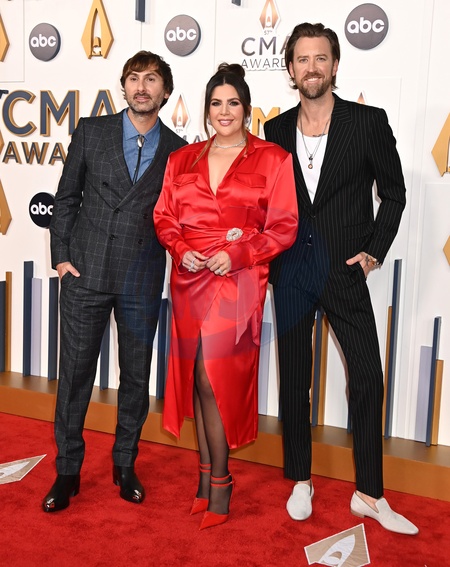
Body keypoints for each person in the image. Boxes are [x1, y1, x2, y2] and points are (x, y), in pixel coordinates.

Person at [264, 23, 418, 535]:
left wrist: (374, 251)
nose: (312, 68)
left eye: (320, 58)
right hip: (291, 270)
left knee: (368, 378)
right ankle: (300, 479)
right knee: (295, 380)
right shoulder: (275, 130)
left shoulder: (368, 122)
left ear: (334, 65)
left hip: (345, 270)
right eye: (302, 59)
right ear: (290, 69)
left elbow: (394, 194)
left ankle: (369, 494)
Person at [153, 63, 298, 529]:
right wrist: (182, 250)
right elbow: (164, 217)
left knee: (212, 378)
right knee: (197, 378)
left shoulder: (273, 159)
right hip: (189, 279)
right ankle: (204, 478)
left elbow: (284, 227)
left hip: (238, 282)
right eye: (216, 103)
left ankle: (220, 481)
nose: (224, 111)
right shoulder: (182, 159)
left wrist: (237, 254)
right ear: (206, 110)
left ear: (247, 108)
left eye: (233, 102)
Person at [43, 51, 187, 513]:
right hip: (85, 272)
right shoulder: (92, 131)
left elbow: (178, 216)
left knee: (136, 377)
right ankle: (68, 471)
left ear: (166, 91)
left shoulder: (179, 150)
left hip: (141, 276)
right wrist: (62, 257)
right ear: (123, 86)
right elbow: (66, 197)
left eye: (152, 79)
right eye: (134, 78)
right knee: (74, 377)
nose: (142, 87)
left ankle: (125, 464)